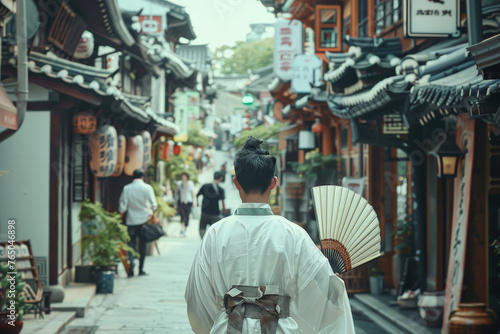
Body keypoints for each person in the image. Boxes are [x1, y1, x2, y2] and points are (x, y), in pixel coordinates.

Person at [185, 137, 355, 334]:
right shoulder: (293, 234)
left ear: (236, 183)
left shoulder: (215, 233)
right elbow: (327, 296)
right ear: (273, 183)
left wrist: (220, 322)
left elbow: (196, 299)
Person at [118, 169, 157, 277]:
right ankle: (141, 269)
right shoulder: (147, 188)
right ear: (143, 177)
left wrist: (119, 218)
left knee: (131, 244)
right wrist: (152, 214)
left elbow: (122, 206)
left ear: (133, 177)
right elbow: (154, 204)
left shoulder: (127, 188)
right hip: (144, 221)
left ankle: (131, 265)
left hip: (131, 221)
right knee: (142, 246)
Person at [196, 171, 226, 239]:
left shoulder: (205, 186)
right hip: (215, 214)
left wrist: (197, 203)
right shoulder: (221, 189)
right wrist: (224, 210)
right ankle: (211, 244)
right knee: (215, 231)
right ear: (221, 178)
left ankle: (203, 242)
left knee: (202, 228)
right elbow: (223, 201)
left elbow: (197, 195)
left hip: (204, 212)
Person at [176, 172, 195, 237]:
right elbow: (177, 194)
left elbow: (192, 193)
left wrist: (194, 202)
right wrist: (176, 203)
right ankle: (182, 228)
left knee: (187, 216)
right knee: (182, 216)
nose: (183, 178)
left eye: (184, 176)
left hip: (189, 201)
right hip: (182, 202)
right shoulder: (179, 184)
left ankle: (185, 229)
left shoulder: (190, 183)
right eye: (182, 176)